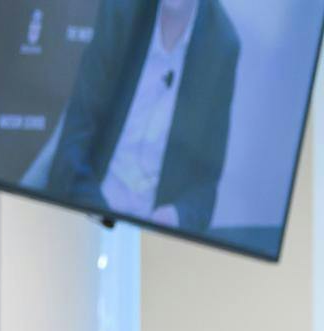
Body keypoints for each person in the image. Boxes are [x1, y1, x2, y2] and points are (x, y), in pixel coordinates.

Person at [46, 0, 240, 233]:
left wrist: (175, 216)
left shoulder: (221, 44)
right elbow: (72, 147)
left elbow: (205, 187)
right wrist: (106, 219)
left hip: (153, 236)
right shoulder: (121, 12)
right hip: (86, 214)